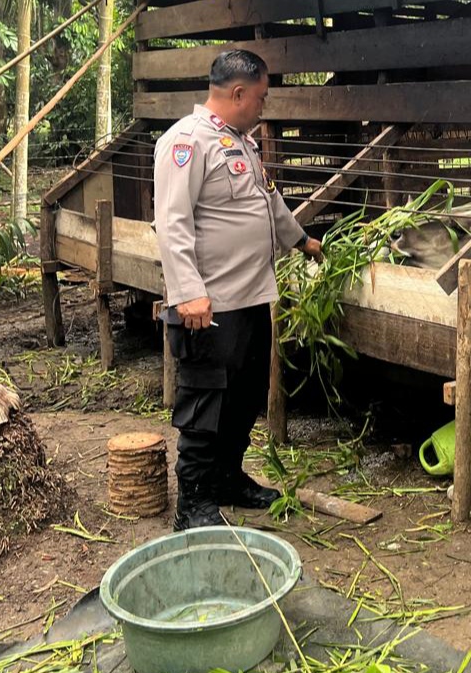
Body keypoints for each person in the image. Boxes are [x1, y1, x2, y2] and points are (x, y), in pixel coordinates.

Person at [153, 50, 322, 531]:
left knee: (246, 395)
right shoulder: (186, 142)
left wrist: (300, 239)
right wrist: (187, 292)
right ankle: (193, 503)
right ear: (239, 93)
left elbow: (268, 202)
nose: (264, 106)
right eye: (262, 97)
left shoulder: (241, 142)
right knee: (206, 402)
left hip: (250, 298)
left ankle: (228, 479)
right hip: (208, 305)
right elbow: (172, 222)